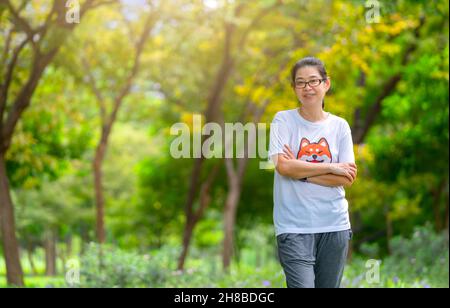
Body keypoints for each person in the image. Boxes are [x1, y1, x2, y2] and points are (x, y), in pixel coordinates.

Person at [268, 57, 358, 288]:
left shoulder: (340, 126)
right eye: (300, 83)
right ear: (294, 88)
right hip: (294, 227)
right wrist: (330, 166)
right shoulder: (283, 120)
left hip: (334, 225)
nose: (307, 87)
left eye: (313, 81)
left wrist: (301, 171)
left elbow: (346, 177)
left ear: (326, 84)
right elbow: (283, 166)